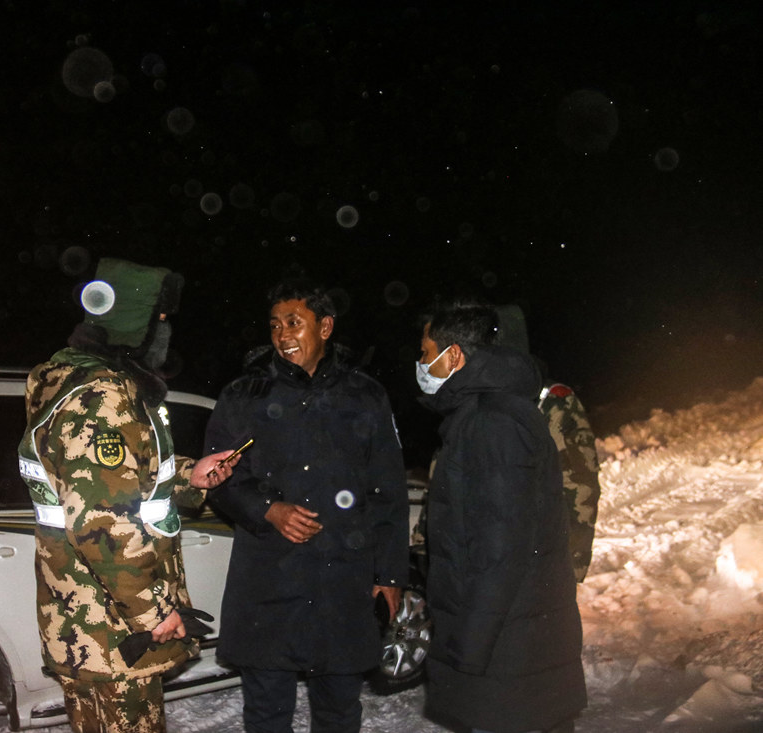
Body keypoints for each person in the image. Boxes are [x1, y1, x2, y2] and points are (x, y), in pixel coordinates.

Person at [17, 257, 240, 733]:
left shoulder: (68, 381)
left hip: (85, 620)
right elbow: (104, 522)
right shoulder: (101, 398)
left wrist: (190, 476)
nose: (166, 332)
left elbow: (118, 481)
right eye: (160, 319)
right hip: (112, 630)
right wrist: (153, 612)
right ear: (135, 324)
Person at [203, 280, 408, 733]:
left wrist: (390, 575)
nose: (283, 335)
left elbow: (388, 490)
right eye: (275, 325)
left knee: (339, 710)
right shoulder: (245, 395)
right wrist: (267, 509)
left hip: (343, 581)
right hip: (269, 581)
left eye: (294, 323)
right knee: (266, 713)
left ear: (326, 327)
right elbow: (217, 477)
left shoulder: (365, 396)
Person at [416, 300, 586, 733]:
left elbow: (500, 548)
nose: (421, 364)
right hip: (515, 635)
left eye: (425, 352)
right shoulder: (490, 413)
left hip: (507, 646)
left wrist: (469, 645)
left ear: (454, 355)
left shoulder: (491, 423)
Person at [495, 304, 601, 582]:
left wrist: (569, 568)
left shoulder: (551, 402)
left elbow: (579, 487)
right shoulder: (475, 403)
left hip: (537, 571)